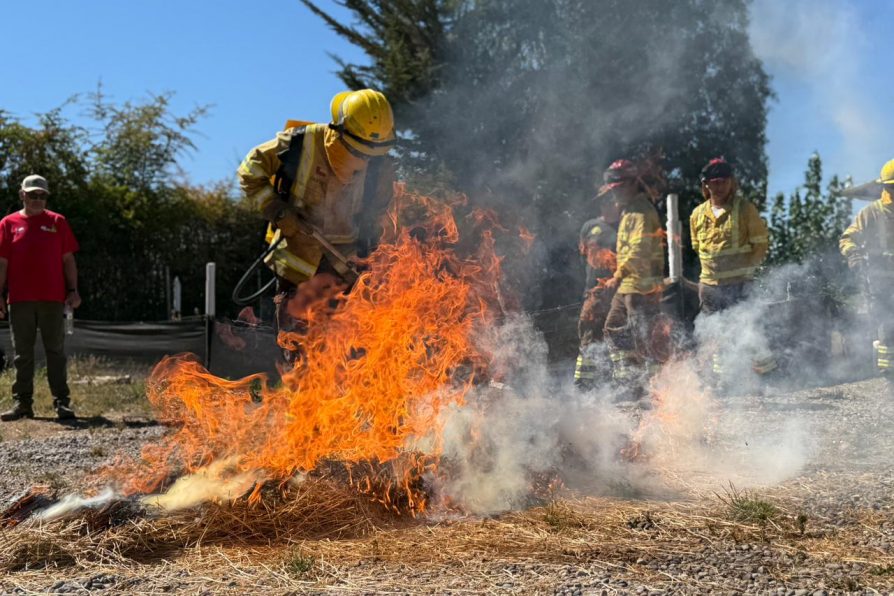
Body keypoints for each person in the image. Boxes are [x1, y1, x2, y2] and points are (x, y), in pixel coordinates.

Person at [237, 89, 396, 365]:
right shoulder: (303, 143)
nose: (365, 160)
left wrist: (375, 261)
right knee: (298, 348)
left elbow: (380, 218)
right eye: (359, 151)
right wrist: (277, 210)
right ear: (339, 132)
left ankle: (344, 404)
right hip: (298, 264)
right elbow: (250, 171)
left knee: (348, 349)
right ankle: (301, 401)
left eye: (374, 154)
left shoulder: (379, 169)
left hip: (344, 269)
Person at [0, 175, 81, 421]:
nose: (37, 199)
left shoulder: (58, 222)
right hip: (20, 299)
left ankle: (61, 403)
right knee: (22, 354)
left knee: (55, 351)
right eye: (32, 194)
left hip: (53, 299)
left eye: (42, 195)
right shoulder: (7, 224)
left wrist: (73, 290)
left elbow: (68, 260)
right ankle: (22, 404)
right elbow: (2, 264)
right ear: (22, 194)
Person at [690, 158, 773, 384]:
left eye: (723, 182)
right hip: (709, 287)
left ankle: (767, 381)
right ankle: (722, 382)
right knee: (714, 335)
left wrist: (748, 273)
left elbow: (760, 244)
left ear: (732, 182)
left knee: (749, 332)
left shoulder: (745, 209)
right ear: (706, 185)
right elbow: (697, 247)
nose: (718, 187)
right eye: (713, 182)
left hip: (740, 284)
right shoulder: (697, 214)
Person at [599, 160, 666, 391]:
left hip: (642, 287)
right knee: (614, 326)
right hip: (628, 285)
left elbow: (638, 250)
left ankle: (655, 388)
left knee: (645, 337)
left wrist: (617, 275)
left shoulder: (642, 211)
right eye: (613, 189)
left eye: (619, 187)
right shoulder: (628, 212)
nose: (615, 193)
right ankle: (632, 381)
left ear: (632, 184)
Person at [839, 158, 894, 383]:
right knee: (888, 325)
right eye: (891, 187)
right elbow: (847, 238)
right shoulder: (871, 213)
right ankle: (888, 373)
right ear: (885, 187)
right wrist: (853, 254)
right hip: (881, 279)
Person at [573, 190, 620, 390]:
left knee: (618, 335)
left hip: (619, 291)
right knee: (588, 335)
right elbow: (582, 255)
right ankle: (584, 383)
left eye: (612, 202)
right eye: (604, 203)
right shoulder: (589, 227)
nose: (608, 206)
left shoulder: (626, 226)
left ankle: (621, 383)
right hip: (593, 291)